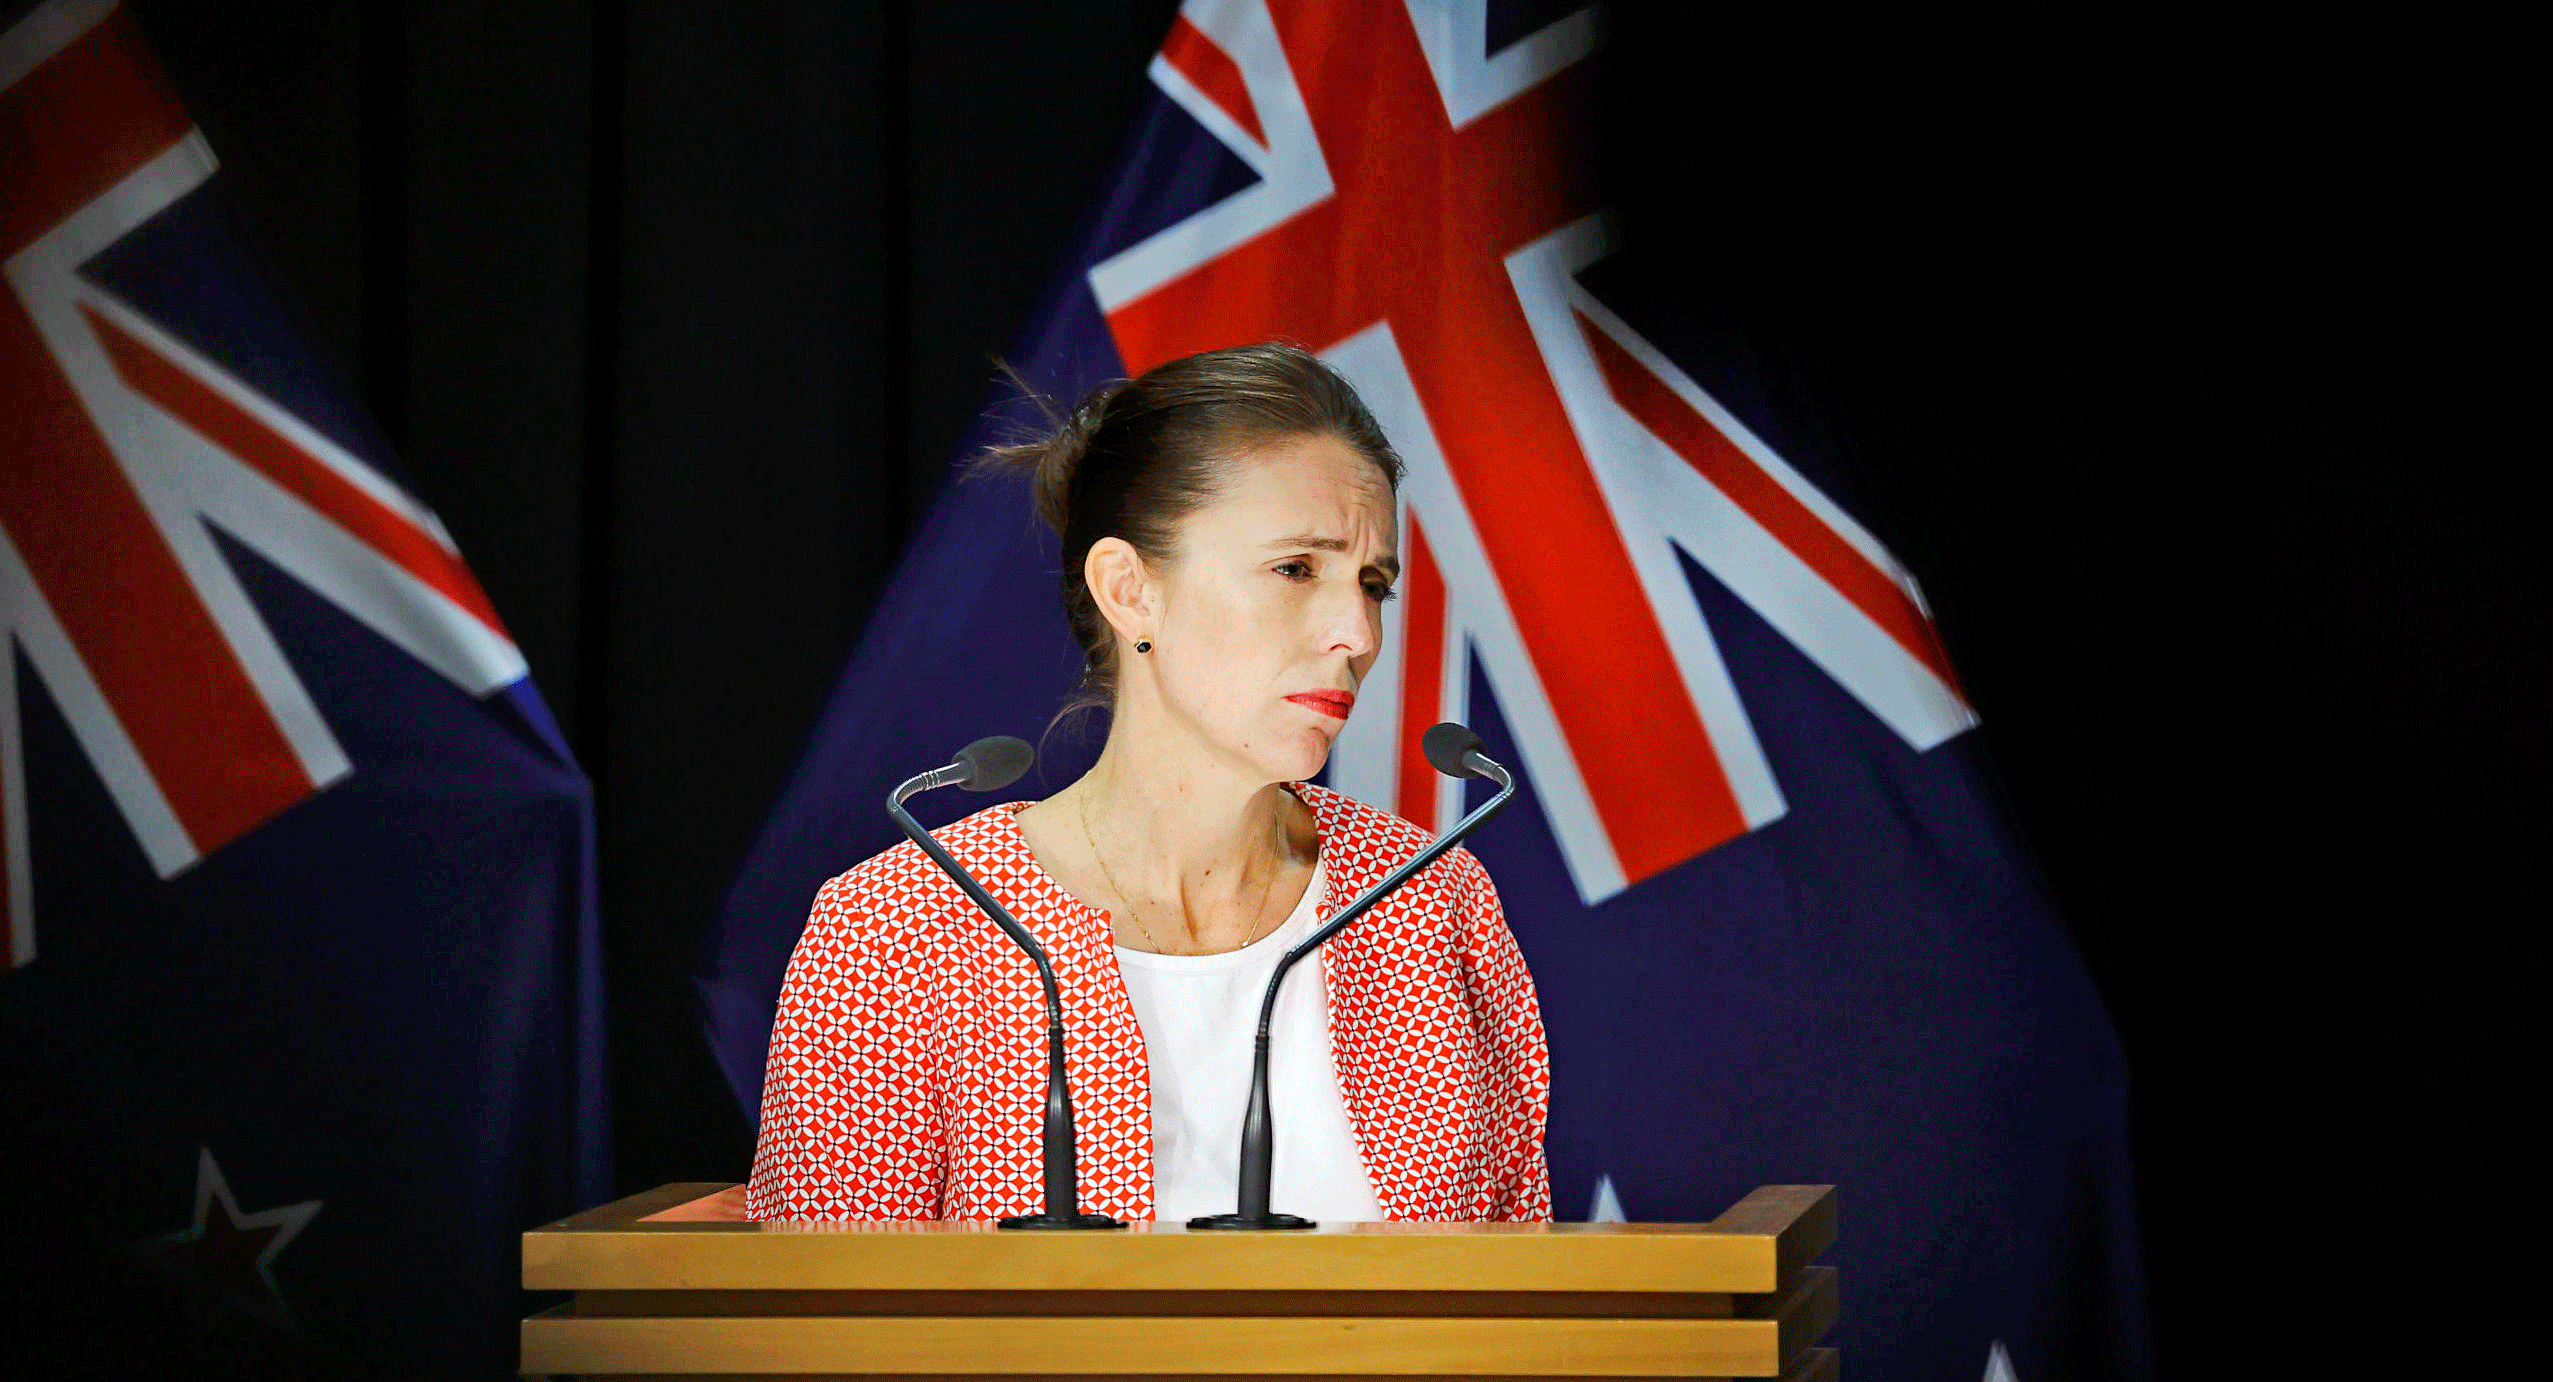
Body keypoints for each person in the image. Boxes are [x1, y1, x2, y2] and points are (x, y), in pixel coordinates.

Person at [744, 343, 1550, 1222]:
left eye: (1373, 583)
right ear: (1129, 591)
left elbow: (1521, 1282)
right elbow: (833, 1329)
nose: (1356, 633)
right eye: (1295, 569)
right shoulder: (898, 933)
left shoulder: (1430, 898)